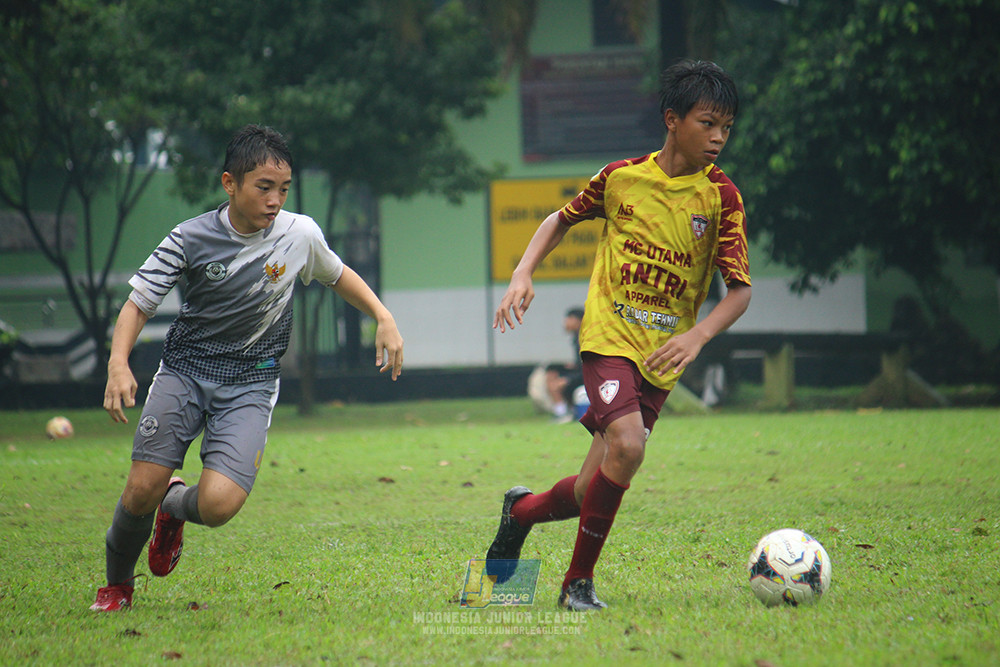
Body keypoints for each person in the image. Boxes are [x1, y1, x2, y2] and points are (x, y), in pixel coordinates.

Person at [91, 124, 404, 611]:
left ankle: (172, 508)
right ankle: (116, 585)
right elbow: (138, 304)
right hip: (185, 372)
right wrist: (117, 363)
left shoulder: (300, 234)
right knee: (139, 490)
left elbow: (338, 275)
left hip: (251, 383)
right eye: (264, 187)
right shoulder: (189, 238)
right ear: (229, 184)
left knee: (217, 507)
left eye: (284, 189)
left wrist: (383, 316)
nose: (276, 199)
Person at [487, 60, 751, 611]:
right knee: (628, 447)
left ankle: (522, 512)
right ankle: (575, 586)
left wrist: (698, 336)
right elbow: (560, 218)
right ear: (672, 120)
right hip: (608, 336)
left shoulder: (722, 199)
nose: (719, 137)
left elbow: (740, 290)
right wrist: (523, 270)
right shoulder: (621, 177)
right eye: (709, 123)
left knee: (592, 489)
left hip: (664, 355)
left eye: (727, 126)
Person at [545, 307, 584, 422]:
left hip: (586, 375)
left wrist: (568, 379)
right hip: (580, 371)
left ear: (579, 321)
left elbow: (588, 365)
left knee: (556, 385)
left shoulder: (585, 337)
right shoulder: (575, 337)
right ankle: (561, 410)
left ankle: (564, 413)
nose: (565, 322)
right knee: (551, 371)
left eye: (569, 319)